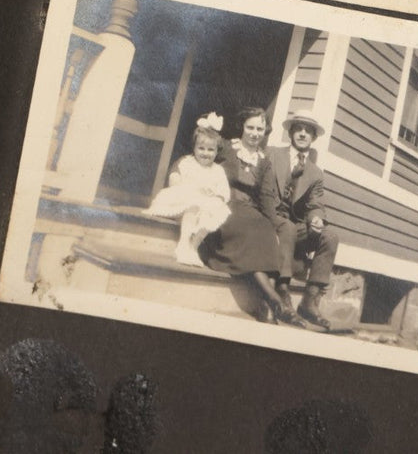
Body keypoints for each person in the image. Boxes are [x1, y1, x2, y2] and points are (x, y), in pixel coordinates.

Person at [197, 108, 303, 326]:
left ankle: (269, 307)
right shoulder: (225, 147)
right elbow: (199, 154)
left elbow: (265, 198)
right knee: (250, 230)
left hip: (250, 211)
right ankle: (276, 301)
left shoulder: (264, 162)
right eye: (251, 127)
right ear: (242, 128)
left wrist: (275, 226)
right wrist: (178, 172)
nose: (255, 133)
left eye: (260, 129)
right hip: (222, 206)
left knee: (264, 229)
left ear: (265, 132)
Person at [257, 109, 340, 329]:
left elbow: (315, 204)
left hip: (292, 226)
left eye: (308, 131)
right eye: (299, 129)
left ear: (313, 138)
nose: (303, 134)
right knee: (289, 228)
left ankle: (310, 300)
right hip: (267, 217)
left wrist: (316, 219)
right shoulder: (272, 153)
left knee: (330, 237)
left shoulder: (315, 173)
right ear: (291, 132)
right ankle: (282, 291)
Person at [145, 114, 232, 267]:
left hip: (203, 208)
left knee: (216, 210)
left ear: (217, 151)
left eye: (210, 150)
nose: (205, 153)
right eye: (201, 148)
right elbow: (175, 180)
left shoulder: (218, 170)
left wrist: (217, 198)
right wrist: (193, 189)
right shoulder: (186, 162)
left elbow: (224, 192)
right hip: (180, 203)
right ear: (194, 147)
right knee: (194, 204)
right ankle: (183, 243)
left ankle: (193, 247)